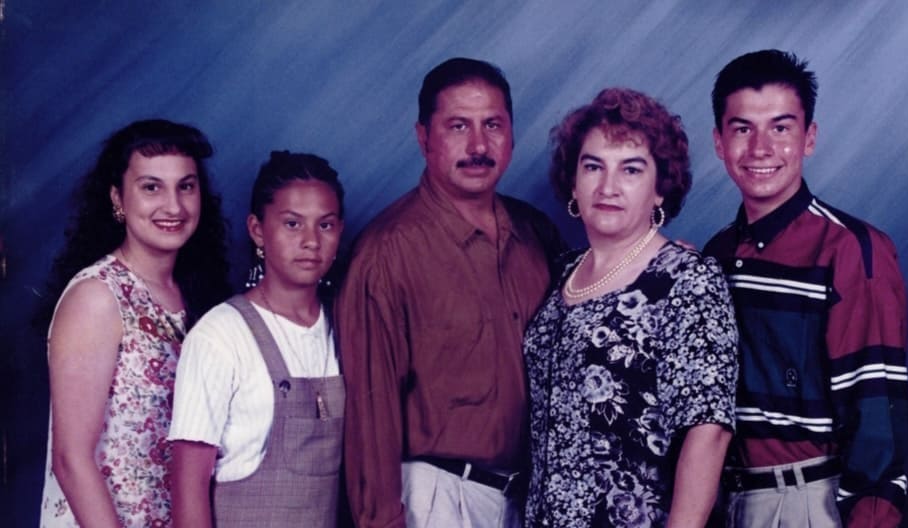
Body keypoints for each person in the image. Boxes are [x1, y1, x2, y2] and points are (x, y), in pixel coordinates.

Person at [336, 57, 565, 528]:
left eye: (493, 125)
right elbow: (369, 419)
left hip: (528, 497)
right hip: (438, 498)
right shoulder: (387, 252)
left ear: (512, 134)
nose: (478, 145)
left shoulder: (536, 233)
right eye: (458, 126)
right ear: (424, 137)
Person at [703, 49, 908, 527]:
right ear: (718, 141)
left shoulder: (850, 250)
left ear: (809, 137)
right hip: (723, 502)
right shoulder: (714, 256)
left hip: (808, 501)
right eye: (742, 129)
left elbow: (877, 419)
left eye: (780, 127)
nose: (760, 149)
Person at [523, 88, 738, 527]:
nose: (608, 187)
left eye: (631, 170)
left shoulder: (687, 280)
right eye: (593, 166)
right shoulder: (559, 272)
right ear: (573, 183)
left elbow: (708, 430)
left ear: (660, 189)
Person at [37, 119, 231, 527]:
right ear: (117, 198)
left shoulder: (198, 295)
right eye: (151, 187)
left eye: (186, 186)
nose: (174, 206)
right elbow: (71, 459)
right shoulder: (97, 296)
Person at [169, 151, 346, 527]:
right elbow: (188, 487)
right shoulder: (220, 336)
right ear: (257, 229)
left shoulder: (346, 328)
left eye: (325, 225)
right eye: (293, 224)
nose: (311, 241)